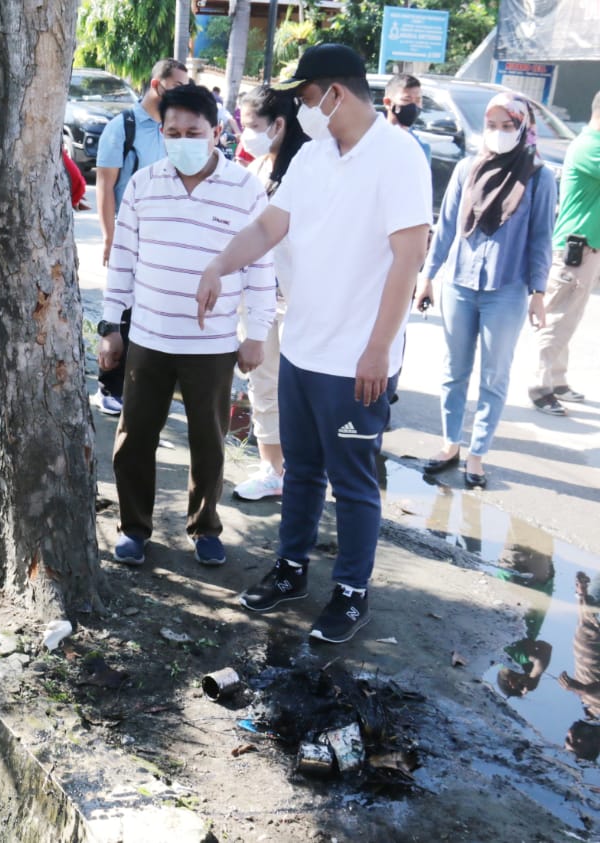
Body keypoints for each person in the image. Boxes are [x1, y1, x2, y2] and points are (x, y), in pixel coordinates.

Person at [196, 44, 432, 643]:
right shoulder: (313, 157)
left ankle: (352, 593)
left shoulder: (398, 156)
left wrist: (379, 348)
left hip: (359, 362)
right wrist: (219, 265)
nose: (301, 109)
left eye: (305, 97)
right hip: (301, 347)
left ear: (335, 93)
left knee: (353, 481)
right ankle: (292, 568)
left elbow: (408, 259)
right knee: (301, 471)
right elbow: (269, 227)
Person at [99, 84, 274, 568]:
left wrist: (255, 334)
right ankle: (134, 527)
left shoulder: (245, 189)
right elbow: (124, 262)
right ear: (162, 131)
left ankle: (205, 527)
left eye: (194, 132)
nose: (183, 140)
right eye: (173, 132)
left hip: (213, 343)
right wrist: (111, 326)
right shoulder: (144, 184)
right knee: (135, 439)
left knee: (208, 443)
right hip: (149, 338)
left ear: (216, 132)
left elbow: (261, 267)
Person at [416, 93, 557, 489]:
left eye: (507, 126)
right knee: (452, 371)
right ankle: (450, 443)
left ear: (523, 129)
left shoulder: (539, 177)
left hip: (507, 289)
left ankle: (477, 454)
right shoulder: (467, 169)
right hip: (459, 283)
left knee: (494, 377)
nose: (498, 134)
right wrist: (428, 275)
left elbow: (541, 238)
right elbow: (444, 228)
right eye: (492, 126)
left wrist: (539, 292)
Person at [94, 58, 191, 416]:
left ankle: (147, 388)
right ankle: (110, 386)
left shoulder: (175, 128)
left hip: (167, 238)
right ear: (157, 85)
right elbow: (105, 187)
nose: (182, 92)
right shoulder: (124, 127)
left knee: (155, 310)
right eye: (177, 85)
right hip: (129, 236)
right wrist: (109, 237)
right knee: (122, 310)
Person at [232, 85, 310, 502]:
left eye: (252, 125)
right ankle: (271, 469)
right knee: (263, 384)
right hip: (261, 301)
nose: (246, 133)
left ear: (279, 125)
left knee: (298, 391)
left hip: (302, 302)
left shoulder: (309, 170)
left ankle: (302, 473)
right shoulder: (257, 169)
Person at [528, 90, 600, 416]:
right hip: (575, 250)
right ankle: (540, 387)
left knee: (570, 316)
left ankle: (557, 380)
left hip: (585, 249)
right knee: (557, 319)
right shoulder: (590, 146)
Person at [560, 573, 600, 761]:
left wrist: (581, 596)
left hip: (592, 611)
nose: (572, 736)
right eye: (576, 743)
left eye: (567, 739)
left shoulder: (588, 707)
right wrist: (583, 689)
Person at [383, 73, 430, 163]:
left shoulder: (421, 146)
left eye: (418, 100)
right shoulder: (370, 138)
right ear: (388, 103)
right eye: (406, 100)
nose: (413, 106)